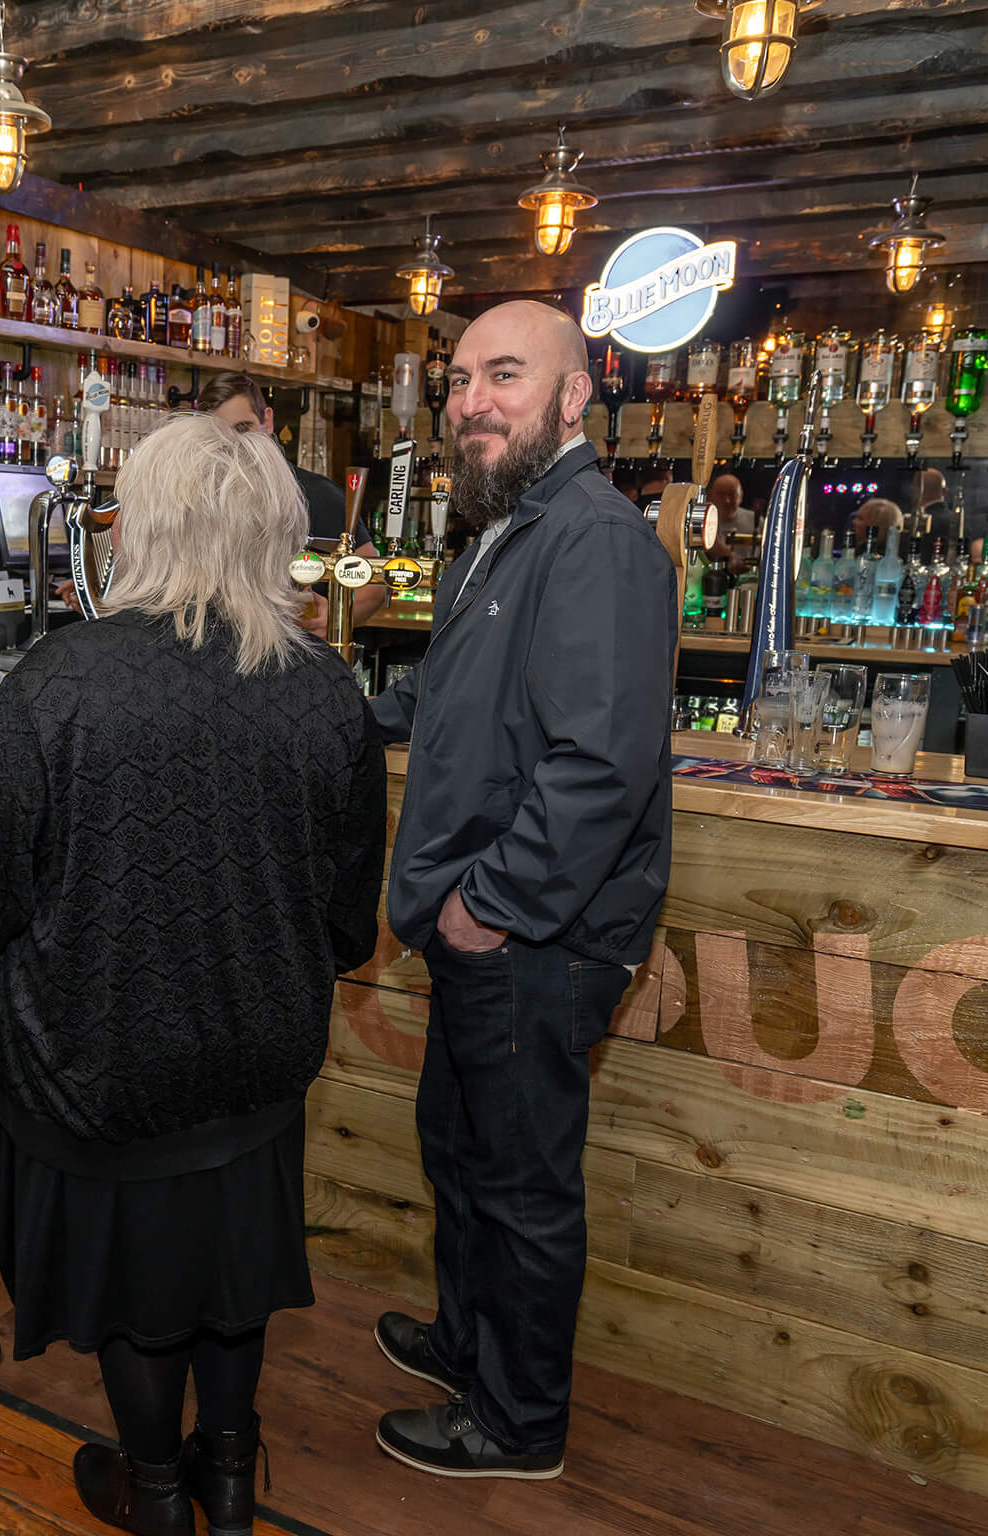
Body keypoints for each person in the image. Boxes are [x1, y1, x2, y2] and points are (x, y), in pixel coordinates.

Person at [0, 411, 386, 1536]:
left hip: (98, 1059)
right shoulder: (322, 687)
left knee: (135, 1287)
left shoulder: (62, 680)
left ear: (139, 528)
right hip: (256, 1059)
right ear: (274, 531)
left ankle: (155, 1491)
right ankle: (230, 1481)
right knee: (231, 1273)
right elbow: (350, 925)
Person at [366, 302, 677, 1479]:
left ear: (573, 396)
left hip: (533, 933)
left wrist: (488, 904)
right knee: (458, 1149)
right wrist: (322, 709)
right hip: (485, 921)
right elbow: (444, 699)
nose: (472, 402)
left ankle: (518, 1421)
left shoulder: (593, 538)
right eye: (458, 381)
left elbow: (600, 766)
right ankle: (469, 1347)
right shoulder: (507, 529)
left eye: (504, 376)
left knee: (521, 1183)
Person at [197, 371, 387, 634]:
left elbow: (374, 585)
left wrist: (334, 619)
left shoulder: (316, 493)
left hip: (296, 651)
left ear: (267, 421)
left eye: (243, 428)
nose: (235, 444)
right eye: (220, 435)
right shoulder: (202, 500)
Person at [707, 471, 756, 564]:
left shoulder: (756, 522)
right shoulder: (703, 522)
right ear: (710, 496)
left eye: (732, 494)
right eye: (721, 495)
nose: (727, 500)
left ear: (741, 496)